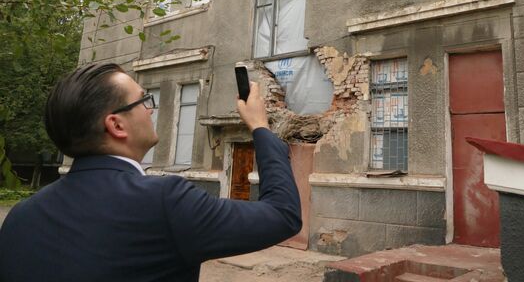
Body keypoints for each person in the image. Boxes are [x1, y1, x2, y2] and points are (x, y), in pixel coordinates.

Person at [0, 63, 301, 282]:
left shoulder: (21, 216)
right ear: (116, 125)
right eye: (144, 100)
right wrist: (260, 127)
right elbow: (283, 214)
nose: (151, 110)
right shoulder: (164, 201)